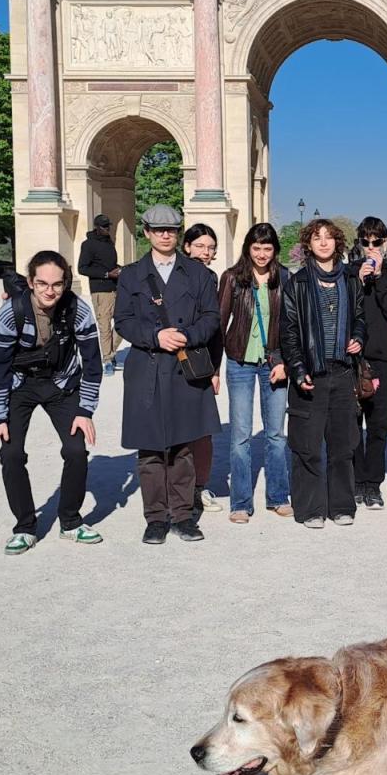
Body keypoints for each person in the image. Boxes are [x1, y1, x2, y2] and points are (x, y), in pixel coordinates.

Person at [115, 205, 221, 544]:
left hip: (183, 366)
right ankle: (156, 518)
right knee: (149, 449)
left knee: (183, 447)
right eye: (158, 229)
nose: (165, 234)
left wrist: (187, 335)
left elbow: (212, 317)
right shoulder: (131, 274)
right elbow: (122, 321)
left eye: (171, 230)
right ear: (146, 232)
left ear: (178, 233)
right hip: (146, 366)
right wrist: (155, 336)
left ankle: (183, 515)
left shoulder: (199, 274)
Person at [0, 251, 104, 553]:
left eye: (57, 284)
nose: (49, 291)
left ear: (66, 284)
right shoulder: (11, 312)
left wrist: (85, 410)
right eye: (42, 284)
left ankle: (71, 521)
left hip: (61, 382)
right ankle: (25, 526)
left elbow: (92, 362)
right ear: (30, 282)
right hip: (20, 384)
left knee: (76, 449)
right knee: (11, 453)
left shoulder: (78, 309)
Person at [280, 218, 368, 529]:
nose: (323, 242)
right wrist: (297, 368)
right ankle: (310, 509)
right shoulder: (298, 283)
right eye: (317, 237)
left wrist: (358, 336)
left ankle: (341, 506)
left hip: (343, 371)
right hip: (311, 371)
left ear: (337, 243)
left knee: (343, 444)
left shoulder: (351, 279)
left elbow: (360, 317)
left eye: (329, 237)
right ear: (308, 243)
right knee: (307, 445)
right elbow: (289, 331)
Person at [218, 223, 292, 524]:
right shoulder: (232, 278)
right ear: (248, 247)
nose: (261, 254)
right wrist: (213, 368)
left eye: (267, 248)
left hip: (274, 362)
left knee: (276, 434)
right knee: (240, 435)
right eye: (257, 247)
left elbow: (291, 326)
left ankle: (278, 496)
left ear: (275, 250)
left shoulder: (284, 277)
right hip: (240, 362)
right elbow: (219, 322)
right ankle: (240, 502)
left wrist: (285, 362)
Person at [347, 217, 387, 509]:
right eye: (365, 241)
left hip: (380, 357)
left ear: (385, 242)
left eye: (376, 241)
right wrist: (357, 281)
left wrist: (379, 277)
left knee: (379, 423)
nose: (371, 247)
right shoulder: (348, 273)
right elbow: (342, 307)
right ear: (359, 243)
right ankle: (357, 481)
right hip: (352, 357)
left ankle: (373, 483)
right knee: (353, 423)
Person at [183, 223, 227, 513]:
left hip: (202, 360)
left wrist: (215, 369)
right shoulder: (171, 276)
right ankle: (179, 489)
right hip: (174, 356)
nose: (205, 252)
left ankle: (199, 487)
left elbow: (216, 328)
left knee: (203, 430)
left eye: (210, 247)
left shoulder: (211, 278)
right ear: (187, 247)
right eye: (199, 246)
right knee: (176, 429)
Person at [77, 213, 123, 375]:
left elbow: (109, 264)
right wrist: (106, 274)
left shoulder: (109, 242)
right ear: (97, 227)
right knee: (105, 325)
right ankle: (107, 360)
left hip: (116, 287)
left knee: (122, 321)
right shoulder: (88, 245)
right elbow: (82, 268)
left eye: (108, 226)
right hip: (100, 289)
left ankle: (111, 353)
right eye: (104, 226)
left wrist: (119, 269)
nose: (107, 229)